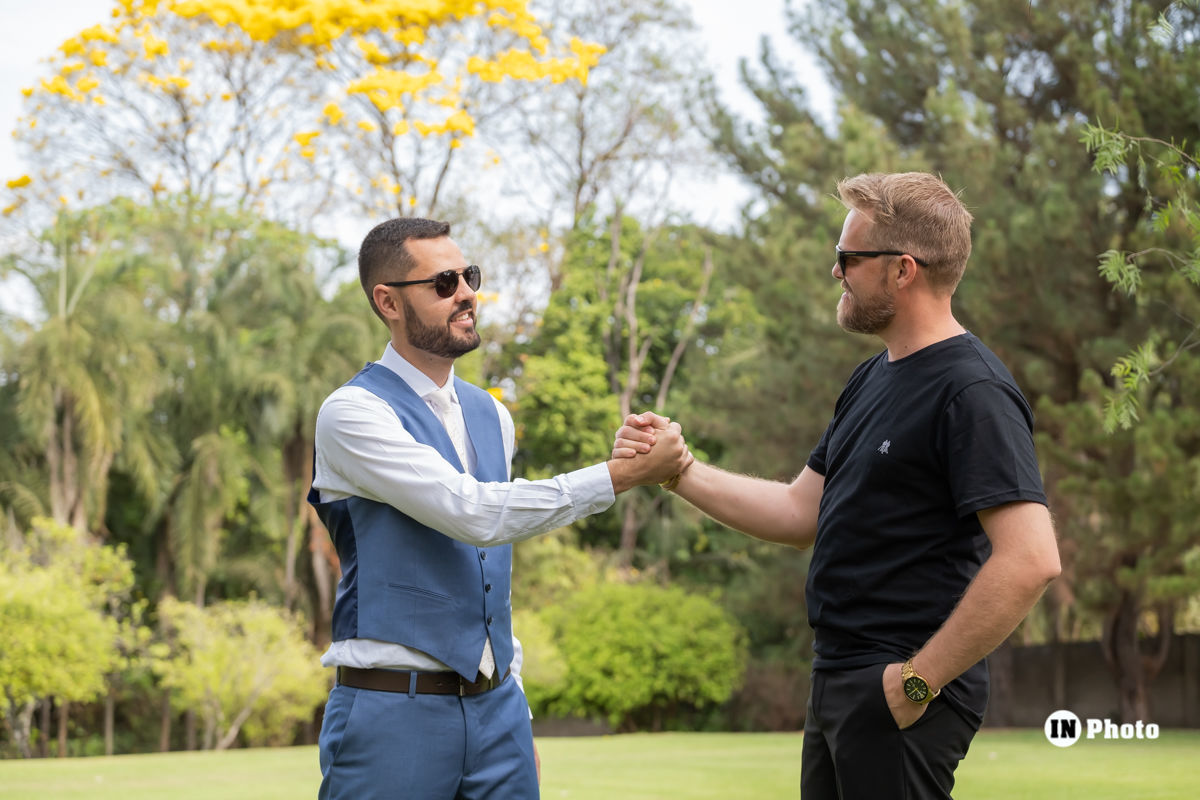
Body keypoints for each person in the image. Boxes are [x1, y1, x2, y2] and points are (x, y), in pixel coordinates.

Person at [614, 172, 1062, 799]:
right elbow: (802, 513)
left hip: (901, 686)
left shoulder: (973, 390)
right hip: (839, 677)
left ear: (902, 270)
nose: (836, 272)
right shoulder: (871, 380)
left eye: (848, 257)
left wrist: (916, 683)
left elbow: (1031, 559)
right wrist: (680, 470)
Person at [310, 217, 690, 800]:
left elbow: (490, 573)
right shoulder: (353, 413)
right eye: (442, 283)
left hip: (498, 717)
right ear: (387, 301)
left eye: (469, 276)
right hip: (392, 713)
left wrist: (515, 709)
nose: (466, 294)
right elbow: (475, 514)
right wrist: (618, 476)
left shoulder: (494, 415)